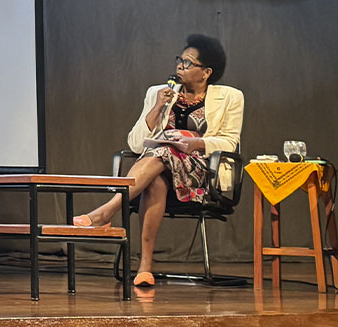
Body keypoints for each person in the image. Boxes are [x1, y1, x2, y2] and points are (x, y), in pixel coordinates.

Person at [73, 34, 244, 287]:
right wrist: (156, 108)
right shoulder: (158, 93)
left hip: (200, 171)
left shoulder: (230, 97)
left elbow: (230, 142)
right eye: (179, 60)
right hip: (158, 170)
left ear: (206, 72)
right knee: (156, 175)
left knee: (162, 153)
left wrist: (195, 143)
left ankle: (108, 210)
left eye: (187, 63)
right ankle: (145, 267)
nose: (179, 67)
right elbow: (135, 143)